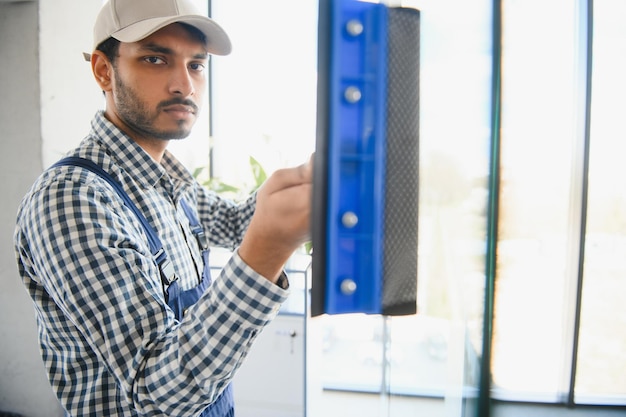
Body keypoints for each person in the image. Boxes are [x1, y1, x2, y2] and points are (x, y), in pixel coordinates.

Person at [13, 0, 312, 416]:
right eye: (156, 59)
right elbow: (159, 392)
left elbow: (232, 222)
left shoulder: (166, 178)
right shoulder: (71, 199)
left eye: (196, 65)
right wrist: (268, 251)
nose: (185, 86)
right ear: (104, 70)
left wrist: (303, 184)